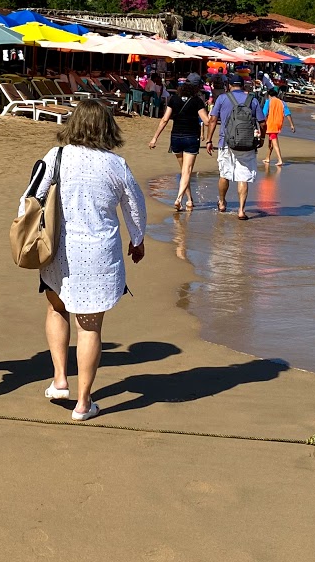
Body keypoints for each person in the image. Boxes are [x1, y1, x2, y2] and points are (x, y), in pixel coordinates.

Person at [23, 100, 146, 422]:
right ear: (107, 127)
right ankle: (83, 403)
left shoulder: (57, 156)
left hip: (58, 249)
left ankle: (61, 378)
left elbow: (31, 196)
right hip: (99, 255)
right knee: (89, 328)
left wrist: (25, 228)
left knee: (56, 307)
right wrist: (137, 239)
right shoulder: (117, 165)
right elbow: (135, 206)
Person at [204, 75, 261, 220]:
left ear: (229, 85)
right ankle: (241, 210)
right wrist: (262, 139)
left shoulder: (222, 99)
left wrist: (209, 140)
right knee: (243, 177)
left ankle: (222, 203)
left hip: (225, 142)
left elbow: (212, 120)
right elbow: (263, 122)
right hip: (247, 143)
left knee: (224, 175)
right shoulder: (252, 100)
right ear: (243, 86)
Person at [147, 74, 207, 209]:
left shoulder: (174, 99)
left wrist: (154, 138)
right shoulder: (197, 101)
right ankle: (179, 199)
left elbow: (164, 119)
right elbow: (207, 121)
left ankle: (190, 200)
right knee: (187, 171)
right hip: (191, 137)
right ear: (196, 87)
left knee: (184, 170)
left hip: (176, 138)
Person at [260, 85, 294, 168]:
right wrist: (291, 125)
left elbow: (264, 113)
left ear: (269, 95)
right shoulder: (282, 102)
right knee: (270, 142)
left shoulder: (269, 101)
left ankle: (280, 159)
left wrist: (261, 123)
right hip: (278, 124)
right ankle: (267, 157)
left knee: (274, 142)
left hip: (271, 124)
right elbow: (287, 114)